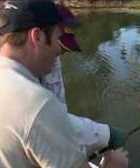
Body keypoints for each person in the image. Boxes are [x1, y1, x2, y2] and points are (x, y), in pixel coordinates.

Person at [0, 0, 129, 168]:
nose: (57, 53)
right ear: (37, 36)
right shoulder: (37, 102)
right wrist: (113, 166)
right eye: (58, 39)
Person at [41, 3, 126, 155]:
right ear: (39, 36)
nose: (60, 56)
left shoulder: (52, 59)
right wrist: (105, 135)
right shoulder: (20, 83)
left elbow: (59, 114)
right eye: (61, 49)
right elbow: (51, 123)